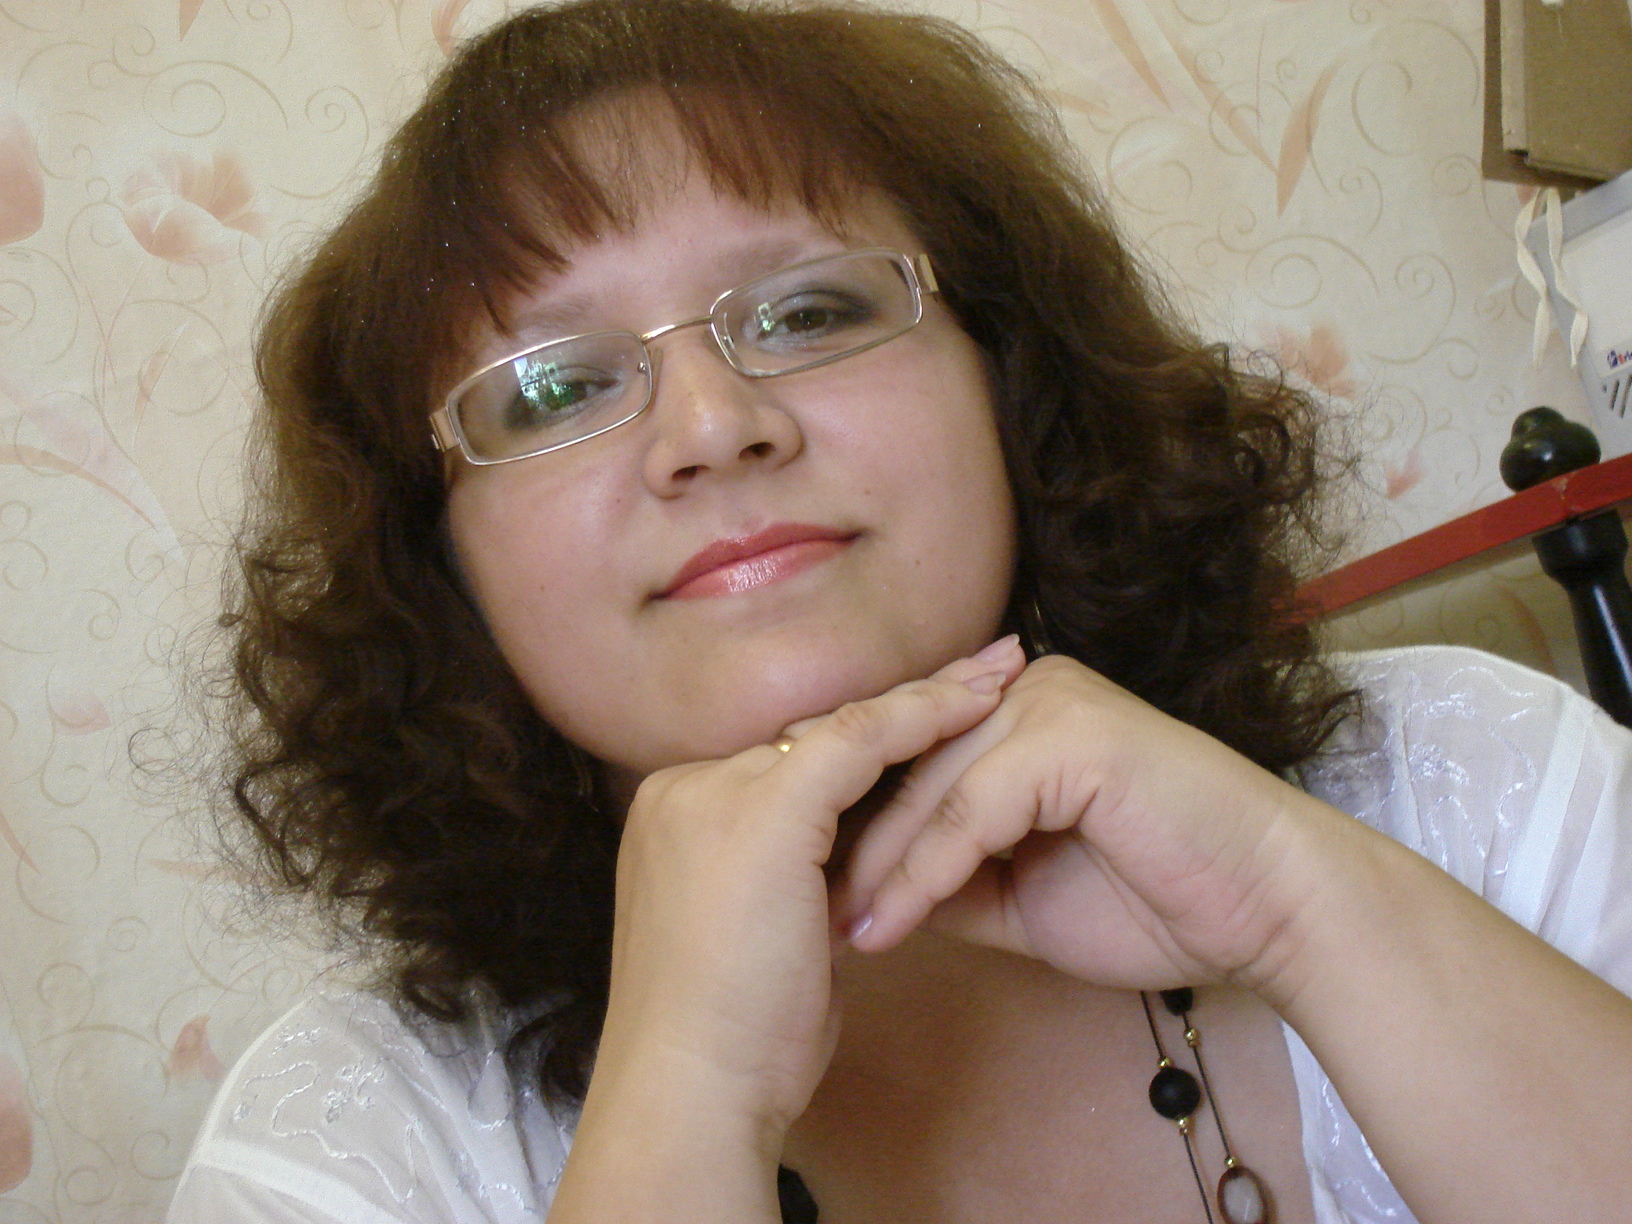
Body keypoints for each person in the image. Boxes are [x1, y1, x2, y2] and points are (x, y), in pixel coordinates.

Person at [167, 1, 1632, 1221]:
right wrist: (688, 1099)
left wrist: (1300, 909)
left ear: (1012, 385)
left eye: (808, 312)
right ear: (435, 563)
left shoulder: (1490, 788)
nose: (712, 427)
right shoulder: (354, 1150)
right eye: (553, 388)